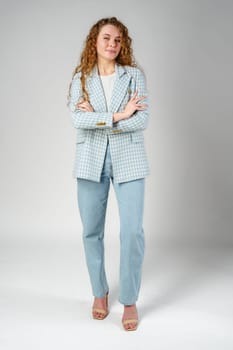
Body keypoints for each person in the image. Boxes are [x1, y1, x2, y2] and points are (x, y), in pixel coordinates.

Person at [67, 16, 150, 331]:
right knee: (91, 231)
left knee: (132, 233)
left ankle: (129, 299)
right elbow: (78, 120)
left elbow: (140, 121)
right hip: (91, 160)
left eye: (117, 39)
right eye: (106, 38)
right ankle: (98, 293)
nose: (112, 44)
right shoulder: (82, 79)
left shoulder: (133, 76)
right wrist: (119, 114)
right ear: (95, 41)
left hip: (129, 159)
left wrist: (100, 118)